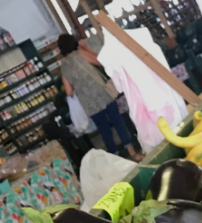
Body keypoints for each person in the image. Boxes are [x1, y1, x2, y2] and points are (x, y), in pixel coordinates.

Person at [58, 33, 143, 161]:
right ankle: (133, 153)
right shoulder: (80, 53)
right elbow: (99, 60)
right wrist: (86, 46)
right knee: (118, 122)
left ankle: (115, 160)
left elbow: (69, 92)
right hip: (102, 93)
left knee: (104, 130)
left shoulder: (64, 68)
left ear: (61, 49)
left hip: (88, 102)